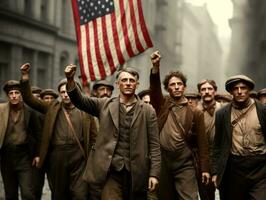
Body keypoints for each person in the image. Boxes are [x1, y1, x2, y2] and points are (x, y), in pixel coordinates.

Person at [65, 64, 161, 200]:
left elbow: (155, 145)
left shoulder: (147, 110)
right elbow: (80, 101)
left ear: (137, 84)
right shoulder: (104, 104)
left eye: (131, 81)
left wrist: (154, 174)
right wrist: (70, 80)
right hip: (111, 171)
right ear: (117, 84)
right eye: (124, 80)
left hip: (137, 172)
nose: (128, 84)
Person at [19, 63, 97, 200]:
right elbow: (30, 99)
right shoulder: (52, 107)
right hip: (58, 156)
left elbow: (94, 136)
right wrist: (25, 77)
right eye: (62, 92)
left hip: (79, 156)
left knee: (80, 195)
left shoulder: (86, 110)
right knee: (59, 194)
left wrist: (93, 158)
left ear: (75, 91)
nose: (65, 95)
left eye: (68, 91)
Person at [149, 51, 210, 200]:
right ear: (167, 88)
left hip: (185, 163)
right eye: (172, 85)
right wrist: (156, 67)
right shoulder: (161, 105)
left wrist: (205, 169)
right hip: (162, 162)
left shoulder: (196, 112)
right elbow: (154, 89)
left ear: (184, 87)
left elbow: (202, 143)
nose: (176, 87)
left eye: (179, 84)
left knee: (189, 197)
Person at [212, 75, 266, 200]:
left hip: (260, 168)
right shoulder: (222, 114)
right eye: (236, 88)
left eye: (243, 88)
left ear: (249, 90)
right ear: (231, 92)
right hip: (234, 168)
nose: (240, 91)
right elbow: (217, 145)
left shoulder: (263, 111)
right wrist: (215, 172)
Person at [0, 80, 41, 200]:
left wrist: (38, 154)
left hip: (24, 156)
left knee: (27, 193)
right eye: (11, 93)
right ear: (8, 95)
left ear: (21, 94)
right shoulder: (1, 110)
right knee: (10, 194)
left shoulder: (29, 111)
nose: (13, 95)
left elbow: (38, 133)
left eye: (16, 92)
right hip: (6, 156)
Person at [196, 79, 223, 200]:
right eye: (203, 89)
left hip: (221, 158)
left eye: (209, 89)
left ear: (215, 91)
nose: (206, 92)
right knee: (206, 194)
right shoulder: (194, 112)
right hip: (202, 159)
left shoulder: (224, 110)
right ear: (199, 92)